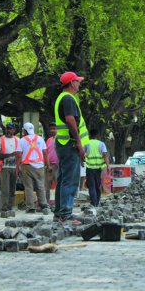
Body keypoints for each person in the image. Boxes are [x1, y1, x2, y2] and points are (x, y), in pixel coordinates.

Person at [54, 71, 88, 223]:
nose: (79, 84)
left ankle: (59, 212)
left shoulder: (61, 97)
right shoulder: (68, 98)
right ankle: (66, 214)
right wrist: (79, 142)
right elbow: (70, 120)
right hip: (70, 144)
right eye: (77, 81)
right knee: (70, 180)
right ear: (72, 83)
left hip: (63, 144)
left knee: (62, 179)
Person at [16, 122, 48, 213]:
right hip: (40, 166)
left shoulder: (22, 140)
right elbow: (45, 153)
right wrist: (47, 165)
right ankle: (43, 205)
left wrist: (17, 168)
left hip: (27, 166)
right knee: (40, 186)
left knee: (28, 187)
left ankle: (30, 207)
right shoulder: (40, 139)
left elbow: (18, 155)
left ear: (25, 130)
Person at [0, 122, 19, 212]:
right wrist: (10, 155)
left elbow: (20, 154)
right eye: (7, 128)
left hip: (14, 167)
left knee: (12, 188)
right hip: (4, 167)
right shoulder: (0, 140)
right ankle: (4, 207)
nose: (9, 130)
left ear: (14, 130)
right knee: (5, 189)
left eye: (11, 129)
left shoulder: (17, 140)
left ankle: (10, 206)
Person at [84, 128, 111, 206]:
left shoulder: (86, 143)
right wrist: (108, 166)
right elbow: (105, 155)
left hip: (89, 168)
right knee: (97, 185)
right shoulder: (101, 144)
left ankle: (93, 203)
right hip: (99, 168)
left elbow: (82, 153)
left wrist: (82, 162)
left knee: (91, 186)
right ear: (97, 135)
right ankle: (97, 202)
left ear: (89, 135)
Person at [45, 125, 59, 209]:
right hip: (49, 166)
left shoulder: (60, 139)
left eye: (54, 129)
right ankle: (46, 203)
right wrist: (47, 165)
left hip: (58, 166)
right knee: (46, 185)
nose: (52, 130)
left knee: (58, 185)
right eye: (51, 129)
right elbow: (45, 153)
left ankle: (58, 203)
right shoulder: (48, 140)